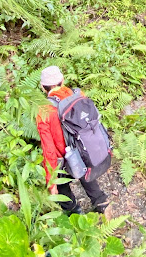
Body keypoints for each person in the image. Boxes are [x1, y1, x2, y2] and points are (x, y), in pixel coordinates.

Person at [36, 65, 110, 216]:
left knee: (62, 188)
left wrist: (51, 180)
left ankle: (75, 215)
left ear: (43, 87)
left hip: (63, 158)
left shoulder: (44, 110)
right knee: (85, 171)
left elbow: (48, 149)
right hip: (82, 149)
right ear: (62, 80)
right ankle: (102, 203)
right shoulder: (77, 94)